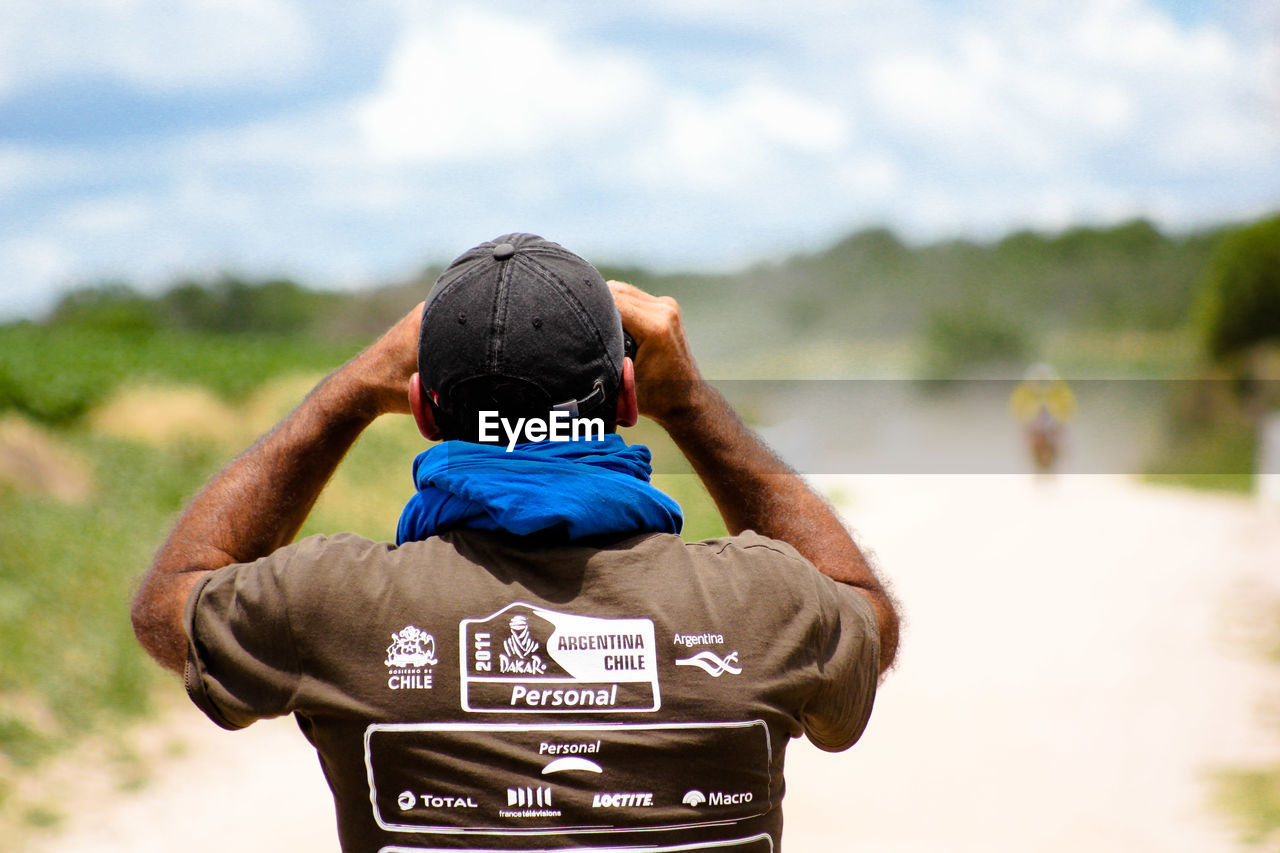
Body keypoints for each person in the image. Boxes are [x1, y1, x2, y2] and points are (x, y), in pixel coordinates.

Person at [131, 233, 899, 853]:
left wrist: (345, 392)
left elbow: (171, 601)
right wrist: (692, 404)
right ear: (629, 397)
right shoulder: (767, 603)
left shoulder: (334, 604)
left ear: (424, 409)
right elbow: (868, 618)